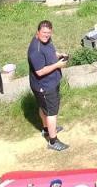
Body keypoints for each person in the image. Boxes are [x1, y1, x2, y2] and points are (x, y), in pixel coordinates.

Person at [27, 20, 69, 152]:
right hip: (44, 86)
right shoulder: (35, 50)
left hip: (50, 82)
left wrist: (59, 55)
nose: (46, 35)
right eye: (44, 33)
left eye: (49, 33)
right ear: (37, 32)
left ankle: (47, 129)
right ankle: (53, 141)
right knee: (52, 113)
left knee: (44, 108)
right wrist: (57, 65)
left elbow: (51, 52)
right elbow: (39, 72)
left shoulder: (46, 41)